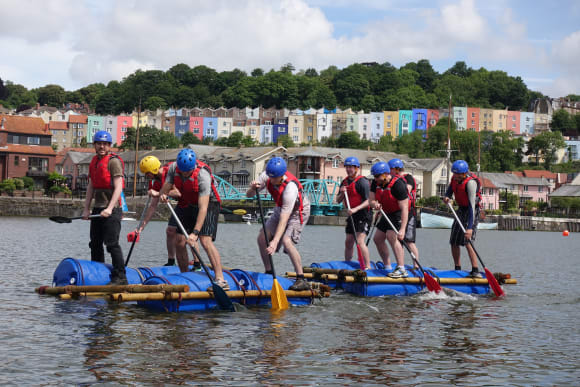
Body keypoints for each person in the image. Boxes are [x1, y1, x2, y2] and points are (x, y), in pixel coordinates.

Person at [159, 148, 228, 289]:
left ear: (193, 167)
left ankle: (220, 278)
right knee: (179, 240)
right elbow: (166, 186)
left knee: (205, 240)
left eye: (187, 172)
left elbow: (203, 208)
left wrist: (195, 233)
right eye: (182, 171)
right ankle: (185, 276)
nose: (184, 174)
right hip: (187, 202)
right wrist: (163, 194)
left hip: (208, 205)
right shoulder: (173, 168)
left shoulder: (202, 175)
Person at [246, 157, 311, 291]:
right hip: (280, 208)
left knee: (286, 241)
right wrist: (252, 189)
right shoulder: (266, 176)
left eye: (275, 178)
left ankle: (301, 278)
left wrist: (275, 241)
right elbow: (249, 195)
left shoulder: (290, 188)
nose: (272, 180)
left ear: (282, 175)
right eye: (270, 177)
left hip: (298, 211)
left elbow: (284, 218)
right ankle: (269, 271)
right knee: (262, 238)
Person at [132, 155, 201, 269]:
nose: (146, 176)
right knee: (170, 231)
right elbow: (153, 205)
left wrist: (160, 194)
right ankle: (171, 261)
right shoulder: (155, 182)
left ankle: (197, 263)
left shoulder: (169, 173)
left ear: (153, 170)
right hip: (182, 205)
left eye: (147, 173)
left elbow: (178, 193)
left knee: (189, 234)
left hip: (193, 203)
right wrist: (141, 227)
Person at [82, 130, 127, 285]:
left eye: (105, 144)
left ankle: (120, 276)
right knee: (94, 243)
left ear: (109, 146)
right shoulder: (94, 162)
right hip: (98, 208)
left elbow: (118, 188)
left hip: (112, 210)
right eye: (99, 143)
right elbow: (91, 187)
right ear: (94, 145)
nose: (102, 146)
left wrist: (110, 208)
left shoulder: (113, 162)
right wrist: (86, 209)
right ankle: (98, 271)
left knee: (111, 243)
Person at [443, 160, 483, 278]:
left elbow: (471, 206)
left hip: (472, 211)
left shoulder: (470, 183)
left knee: (467, 241)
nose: (455, 176)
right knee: (454, 240)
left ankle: (475, 270)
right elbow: (450, 190)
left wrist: (469, 228)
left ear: (464, 173)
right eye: (454, 174)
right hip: (461, 209)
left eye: (458, 174)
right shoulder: (454, 179)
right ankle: (457, 268)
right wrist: (447, 196)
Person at [369, 161, 409, 278]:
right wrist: (374, 204)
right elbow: (371, 200)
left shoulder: (398, 185)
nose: (375, 179)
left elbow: (405, 208)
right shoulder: (375, 183)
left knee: (392, 236)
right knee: (377, 239)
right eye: (374, 177)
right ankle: (387, 266)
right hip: (386, 213)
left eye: (377, 176)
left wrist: (402, 229)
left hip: (398, 213)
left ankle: (401, 268)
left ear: (386, 174)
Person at [335, 156, 371, 270]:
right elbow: (338, 200)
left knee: (360, 242)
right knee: (348, 242)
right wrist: (341, 192)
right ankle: (348, 265)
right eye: (347, 167)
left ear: (356, 168)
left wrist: (356, 209)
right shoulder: (344, 182)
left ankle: (367, 267)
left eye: (351, 167)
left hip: (364, 214)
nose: (348, 169)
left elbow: (368, 201)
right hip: (352, 215)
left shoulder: (363, 182)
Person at [388, 158, 419, 269]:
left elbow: (407, 190)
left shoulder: (407, 178)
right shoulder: (392, 179)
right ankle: (400, 264)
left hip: (409, 211)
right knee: (397, 240)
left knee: (409, 241)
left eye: (390, 169)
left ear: (396, 169)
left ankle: (416, 266)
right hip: (397, 212)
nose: (388, 172)